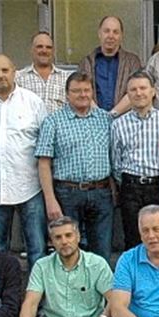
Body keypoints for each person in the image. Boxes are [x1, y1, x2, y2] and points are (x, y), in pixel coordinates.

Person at [0, 54, 48, 268]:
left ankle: (38, 300)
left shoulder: (32, 102)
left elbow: (44, 142)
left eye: (5, 70)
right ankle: (0, 296)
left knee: (37, 248)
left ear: (14, 71)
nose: (1, 75)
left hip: (30, 185)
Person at [36, 72, 115, 262]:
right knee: (68, 250)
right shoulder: (53, 121)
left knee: (102, 251)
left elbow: (113, 156)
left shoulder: (105, 119)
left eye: (87, 90)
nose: (82, 94)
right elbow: (44, 162)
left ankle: (101, 291)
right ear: (67, 94)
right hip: (67, 193)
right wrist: (50, 200)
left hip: (101, 192)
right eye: (76, 91)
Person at [112, 71, 159, 249]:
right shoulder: (118, 124)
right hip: (131, 187)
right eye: (133, 89)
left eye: (143, 88)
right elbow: (116, 161)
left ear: (153, 91)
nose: (139, 93)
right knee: (133, 237)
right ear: (128, 95)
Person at [77, 16, 144, 116]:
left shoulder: (132, 62)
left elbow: (136, 90)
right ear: (99, 33)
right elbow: (82, 90)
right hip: (92, 119)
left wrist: (113, 114)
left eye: (115, 32)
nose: (111, 36)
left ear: (121, 36)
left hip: (125, 121)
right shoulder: (87, 62)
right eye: (106, 31)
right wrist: (99, 116)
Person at [17, 31, 73, 113]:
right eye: (39, 47)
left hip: (59, 125)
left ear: (53, 51)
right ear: (31, 50)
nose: (44, 50)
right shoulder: (19, 78)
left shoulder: (67, 78)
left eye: (48, 47)